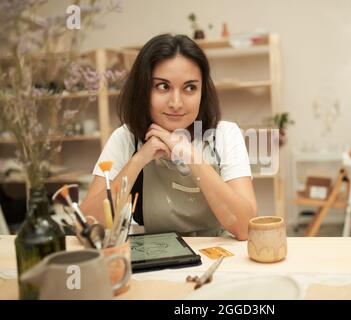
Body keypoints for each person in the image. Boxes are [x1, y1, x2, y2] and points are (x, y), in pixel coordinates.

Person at [80, 34, 257, 240]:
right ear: (143, 89)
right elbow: (88, 224)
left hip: (219, 257)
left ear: (203, 91)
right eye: (163, 86)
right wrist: (139, 159)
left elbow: (246, 228)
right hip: (153, 257)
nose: (176, 103)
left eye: (190, 87)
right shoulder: (125, 138)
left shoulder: (225, 134)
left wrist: (191, 156)